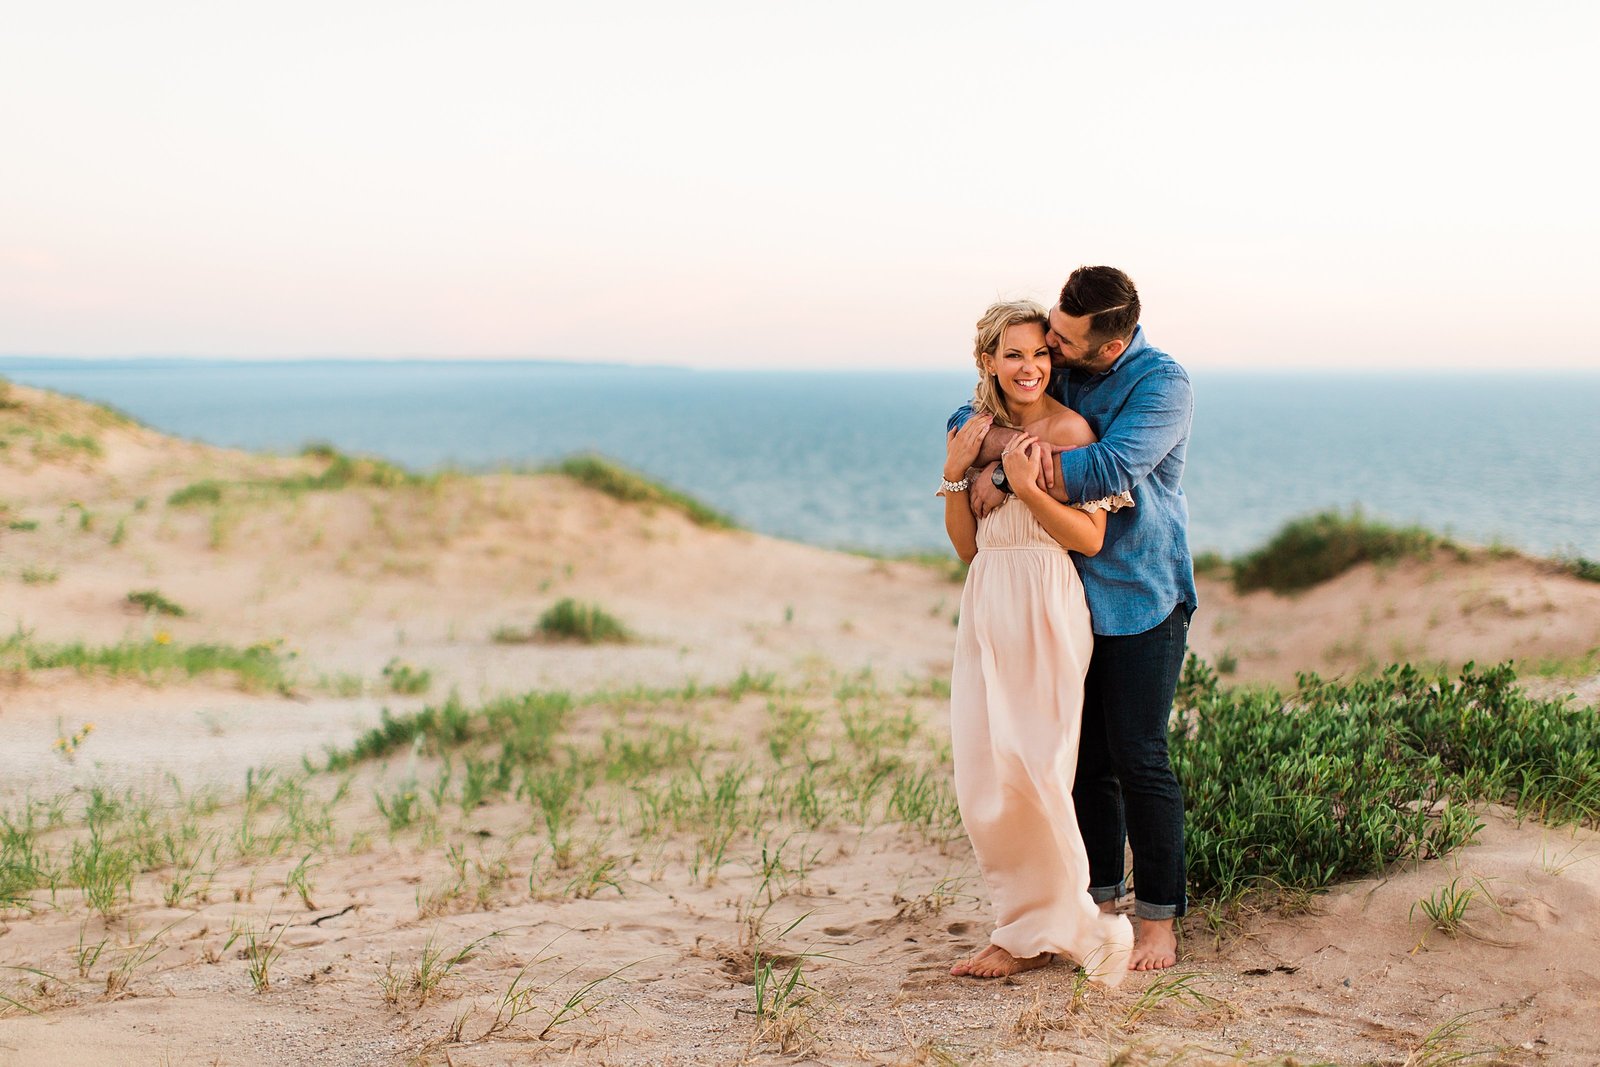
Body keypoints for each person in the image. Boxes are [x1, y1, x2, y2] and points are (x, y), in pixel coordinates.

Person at [948, 266, 1196, 972]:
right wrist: (984, 452)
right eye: (1045, 332)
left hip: (1141, 593)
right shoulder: (1061, 362)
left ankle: (1157, 923)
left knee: (1139, 756)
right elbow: (968, 419)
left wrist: (999, 472)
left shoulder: (1161, 384)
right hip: (1064, 600)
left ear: (1107, 347)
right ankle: (1093, 909)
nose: (1048, 348)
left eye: (1060, 340)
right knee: (1078, 762)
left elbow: (1108, 467)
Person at [940, 299, 1134, 985]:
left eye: (1041, 354)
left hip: (1048, 600)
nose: (1030, 367)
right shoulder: (971, 431)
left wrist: (1024, 484)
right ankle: (1022, 924)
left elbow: (1088, 537)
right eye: (1015, 354)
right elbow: (966, 544)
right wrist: (956, 474)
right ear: (989, 359)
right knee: (986, 772)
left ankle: (1058, 928)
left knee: (1040, 765)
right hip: (988, 599)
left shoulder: (1070, 428)